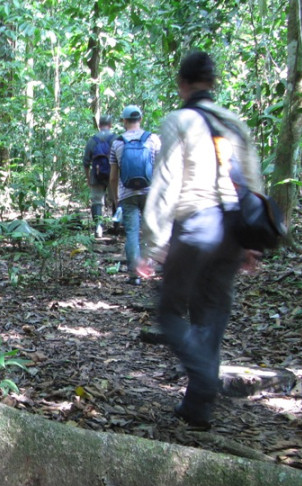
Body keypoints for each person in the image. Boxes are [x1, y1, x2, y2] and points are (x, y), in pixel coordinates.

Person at [137, 50, 264, 430]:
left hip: (194, 225)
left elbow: (165, 183)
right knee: (210, 317)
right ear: (213, 83)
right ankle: (197, 407)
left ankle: (205, 382)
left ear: (182, 84)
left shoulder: (179, 121)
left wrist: (152, 243)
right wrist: (249, 241)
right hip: (230, 229)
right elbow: (252, 182)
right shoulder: (234, 123)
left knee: (169, 313)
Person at [109, 105, 160, 285]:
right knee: (148, 231)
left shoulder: (118, 143)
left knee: (131, 233)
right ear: (140, 119)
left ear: (124, 121)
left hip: (127, 194)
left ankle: (134, 275)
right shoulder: (153, 140)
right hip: (150, 193)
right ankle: (148, 268)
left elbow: (113, 177)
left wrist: (116, 199)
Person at [82, 114, 115, 238]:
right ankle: (116, 225)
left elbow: (86, 162)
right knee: (115, 200)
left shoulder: (92, 140)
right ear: (110, 125)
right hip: (113, 175)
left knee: (97, 201)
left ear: (99, 125)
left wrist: (88, 178)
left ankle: (98, 227)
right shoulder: (115, 139)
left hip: (96, 175)